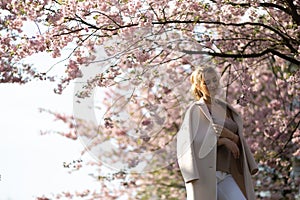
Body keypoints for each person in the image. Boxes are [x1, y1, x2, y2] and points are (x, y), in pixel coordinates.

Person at [177, 67, 258, 200]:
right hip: (206, 175)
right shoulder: (195, 110)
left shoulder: (227, 108)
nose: (212, 85)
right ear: (198, 86)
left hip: (227, 172)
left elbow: (239, 142)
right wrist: (223, 141)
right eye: (206, 82)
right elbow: (189, 145)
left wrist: (229, 135)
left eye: (215, 80)